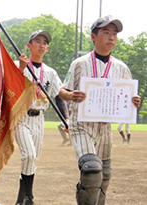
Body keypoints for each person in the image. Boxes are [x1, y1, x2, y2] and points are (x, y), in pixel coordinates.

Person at [59, 15, 141, 205]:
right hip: (82, 125)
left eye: (114, 34)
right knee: (91, 169)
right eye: (106, 32)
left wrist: (134, 101)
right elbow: (62, 90)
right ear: (93, 37)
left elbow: (126, 99)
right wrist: (70, 96)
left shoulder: (122, 68)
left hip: (105, 129)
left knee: (104, 176)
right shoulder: (80, 63)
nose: (111, 37)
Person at [14, 30, 79, 205]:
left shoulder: (50, 72)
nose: (41, 45)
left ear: (47, 48)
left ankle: (21, 199)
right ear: (29, 46)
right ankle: (30, 198)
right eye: (37, 41)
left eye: (44, 43)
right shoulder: (17, 65)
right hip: (21, 118)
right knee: (28, 156)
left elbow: (59, 95)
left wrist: (66, 117)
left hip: (39, 118)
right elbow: (9, 88)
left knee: (32, 161)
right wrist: (20, 69)